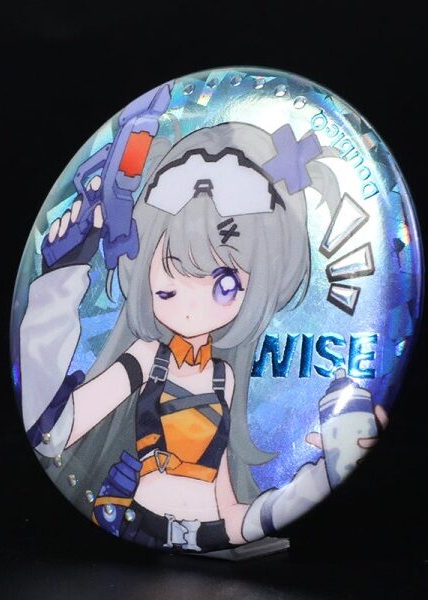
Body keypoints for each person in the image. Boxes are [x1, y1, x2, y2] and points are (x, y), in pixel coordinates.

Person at [19, 121, 383, 552]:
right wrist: (59, 284)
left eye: (224, 285)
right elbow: (52, 431)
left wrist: (327, 475)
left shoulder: (223, 379)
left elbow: (228, 501)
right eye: (170, 279)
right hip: (139, 525)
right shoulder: (146, 358)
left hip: (209, 531)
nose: (192, 303)